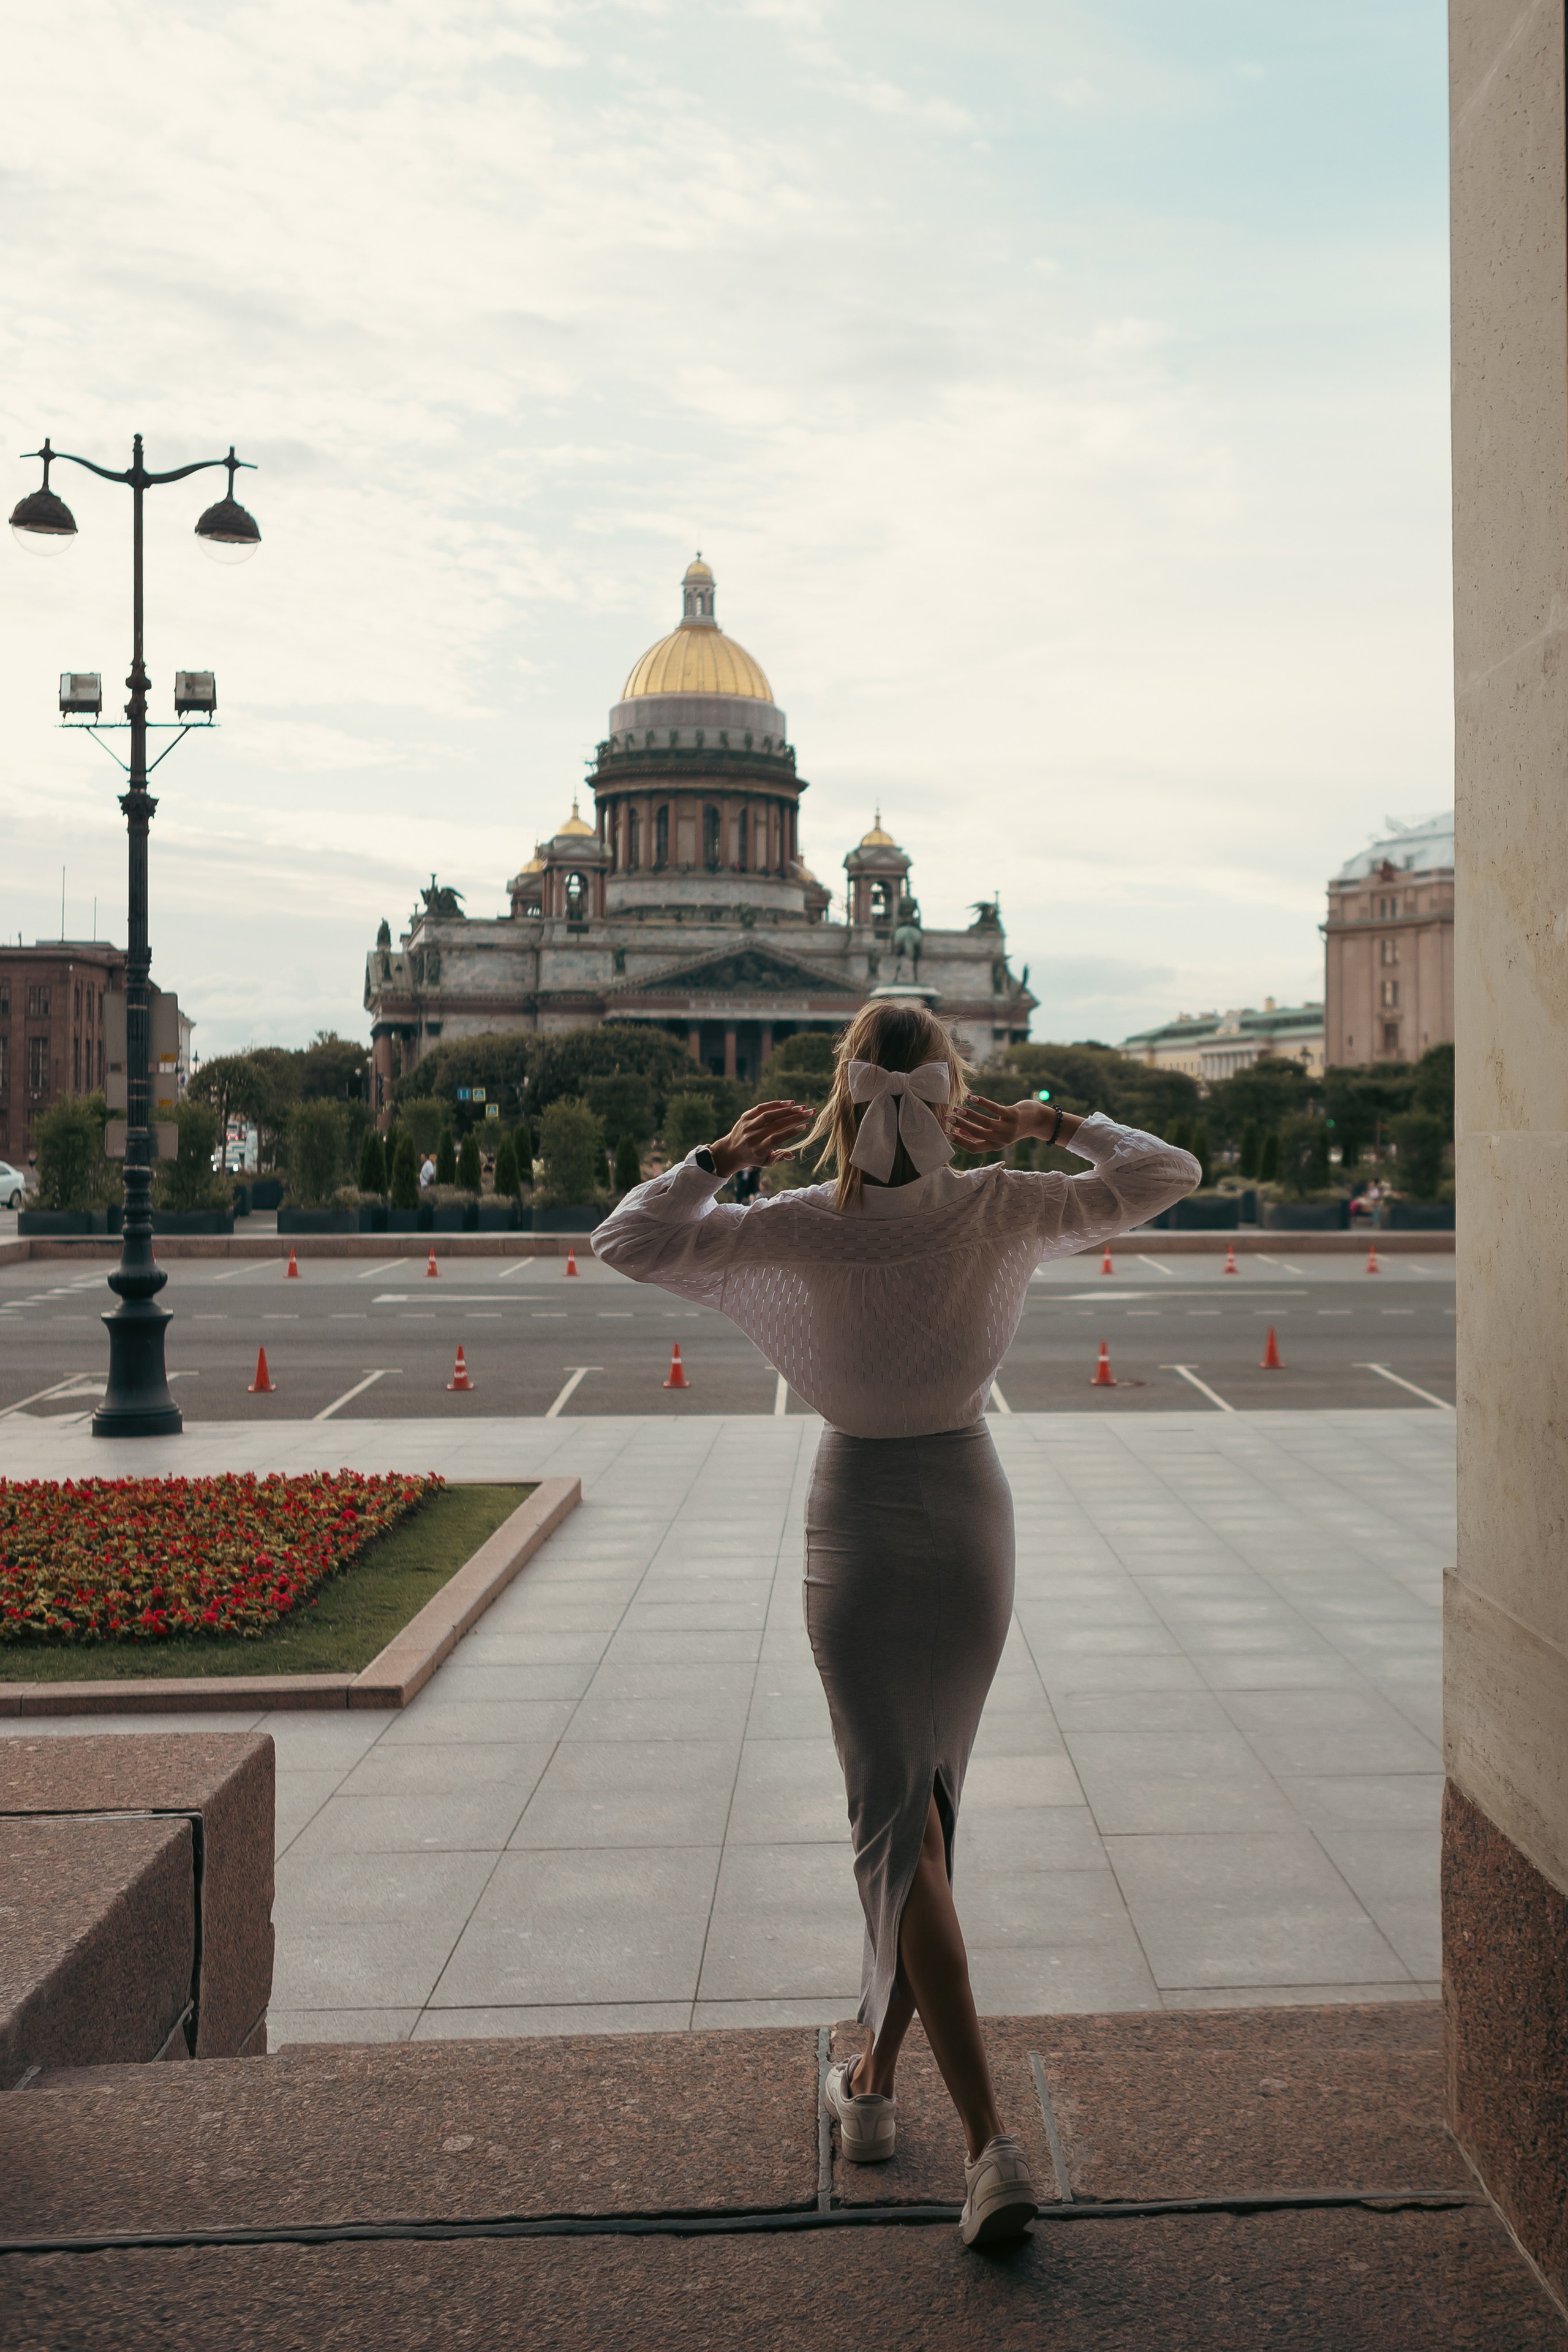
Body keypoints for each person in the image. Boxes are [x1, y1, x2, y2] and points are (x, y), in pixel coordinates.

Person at [594, 1003, 1199, 2246]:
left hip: (858, 1520)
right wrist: (1052, 1121)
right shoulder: (1000, 1203)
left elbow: (627, 1241)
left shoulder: (798, 1223)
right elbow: (1162, 1175)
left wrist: (716, 1158)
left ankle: (987, 2149)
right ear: (952, 1092)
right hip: (971, 1515)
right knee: (922, 1820)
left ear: (840, 1095)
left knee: (894, 1827)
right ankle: (869, 2090)